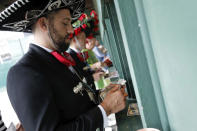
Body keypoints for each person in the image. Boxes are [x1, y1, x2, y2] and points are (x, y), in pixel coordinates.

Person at [0, 0, 127, 131]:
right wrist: (105, 109)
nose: (71, 29)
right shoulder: (23, 73)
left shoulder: (60, 58)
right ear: (44, 24)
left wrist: (103, 97)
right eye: (65, 23)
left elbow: (77, 104)